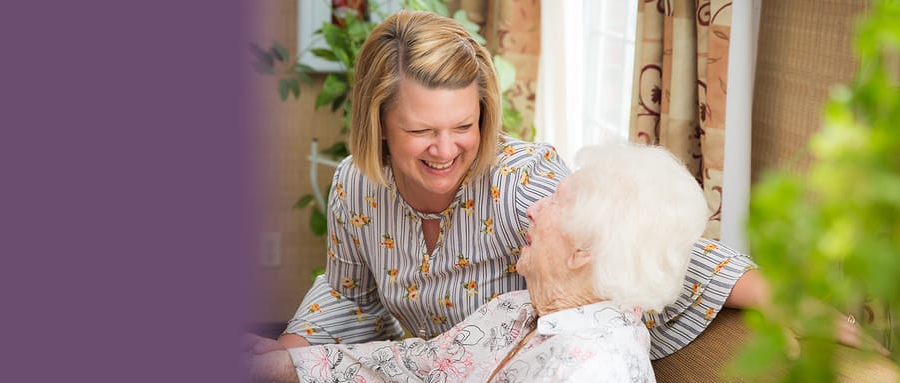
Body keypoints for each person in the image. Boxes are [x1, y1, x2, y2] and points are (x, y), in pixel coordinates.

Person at [253, 10, 762, 360]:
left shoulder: (521, 183)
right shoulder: (356, 185)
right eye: (421, 130)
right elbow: (350, 297)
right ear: (379, 123)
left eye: (463, 125)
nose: (445, 150)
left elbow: (641, 242)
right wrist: (283, 357)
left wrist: (784, 296)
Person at [250, 143, 709, 383]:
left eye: (555, 202)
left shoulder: (587, 377)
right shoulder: (517, 310)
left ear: (583, 252)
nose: (533, 210)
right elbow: (418, 367)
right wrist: (284, 364)